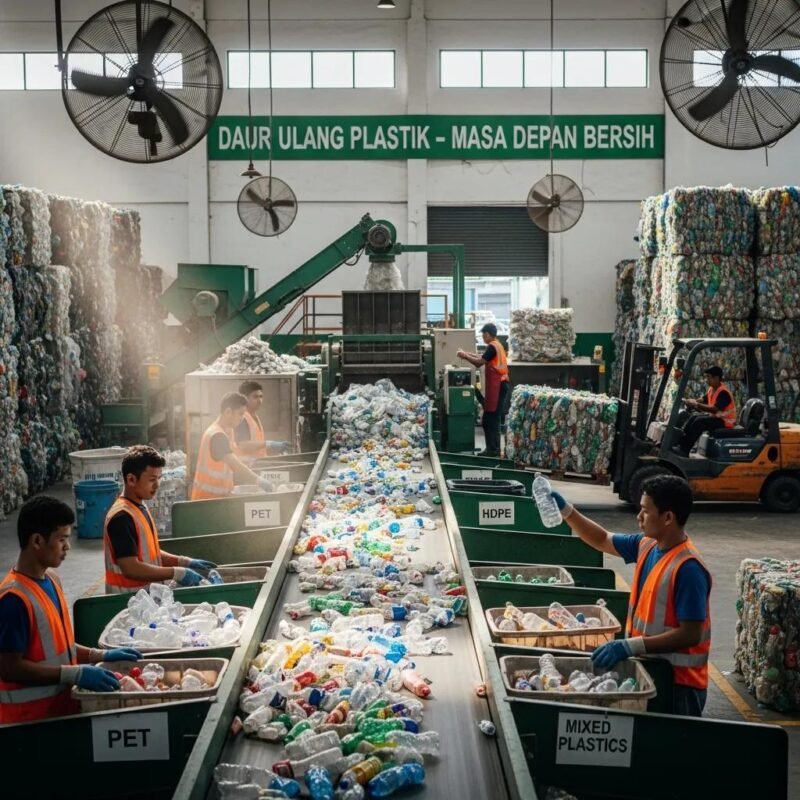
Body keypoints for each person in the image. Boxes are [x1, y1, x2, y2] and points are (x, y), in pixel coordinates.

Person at [551, 475, 711, 717]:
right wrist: (567, 511)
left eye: (645, 511)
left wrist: (630, 645)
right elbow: (602, 539)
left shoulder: (688, 568)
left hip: (679, 686)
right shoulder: (646, 545)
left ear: (668, 517)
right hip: (651, 671)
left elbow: (691, 633)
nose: (639, 517)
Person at [0, 496, 141, 723]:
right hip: (28, 723)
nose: (68, 547)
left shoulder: (51, 580)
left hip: (61, 711)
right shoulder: (13, 599)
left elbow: (56, 647)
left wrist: (98, 655)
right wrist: (74, 674)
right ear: (37, 540)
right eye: (62, 539)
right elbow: (9, 667)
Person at [104, 445, 218, 594]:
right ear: (131, 479)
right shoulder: (121, 517)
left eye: (159, 478)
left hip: (146, 599)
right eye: (152, 479)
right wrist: (176, 573)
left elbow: (150, 554)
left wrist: (184, 562)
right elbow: (131, 568)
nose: (157, 485)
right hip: (127, 602)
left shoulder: (138, 507)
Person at [192, 392, 275, 500]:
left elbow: (235, 460)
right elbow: (235, 465)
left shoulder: (227, 432)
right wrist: (258, 480)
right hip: (206, 501)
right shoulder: (217, 436)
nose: (242, 419)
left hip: (218, 499)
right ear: (228, 412)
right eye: (240, 414)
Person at [457, 322, 510, 457]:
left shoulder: (492, 347)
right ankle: (493, 448)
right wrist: (466, 353)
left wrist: (465, 356)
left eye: (483, 335)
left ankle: (493, 450)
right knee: (492, 418)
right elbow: (481, 357)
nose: (482, 337)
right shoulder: (497, 345)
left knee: (490, 418)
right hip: (499, 385)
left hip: (498, 385)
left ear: (487, 334)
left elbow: (479, 362)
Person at [676, 365, 736, 455]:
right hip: (717, 419)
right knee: (694, 417)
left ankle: (684, 449)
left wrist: (696, 404)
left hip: (725, 422)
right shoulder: (712, 390)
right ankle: (680, 444)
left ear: (716, 378)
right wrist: (691, 401)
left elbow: (715, 409)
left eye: (708, 377)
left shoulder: (723, 393)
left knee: (699, 422)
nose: (706, 380)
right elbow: (702, 399)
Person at [234, 380, 290, 459]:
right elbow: (243, 445)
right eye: (255, 397)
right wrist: (269, 444)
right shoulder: (242, 418)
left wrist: (274, 450)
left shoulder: (255, 417)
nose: (260, 401)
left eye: (261, 396)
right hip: (246, 465)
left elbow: (257, 444)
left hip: (257, 464)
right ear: (244, 399)